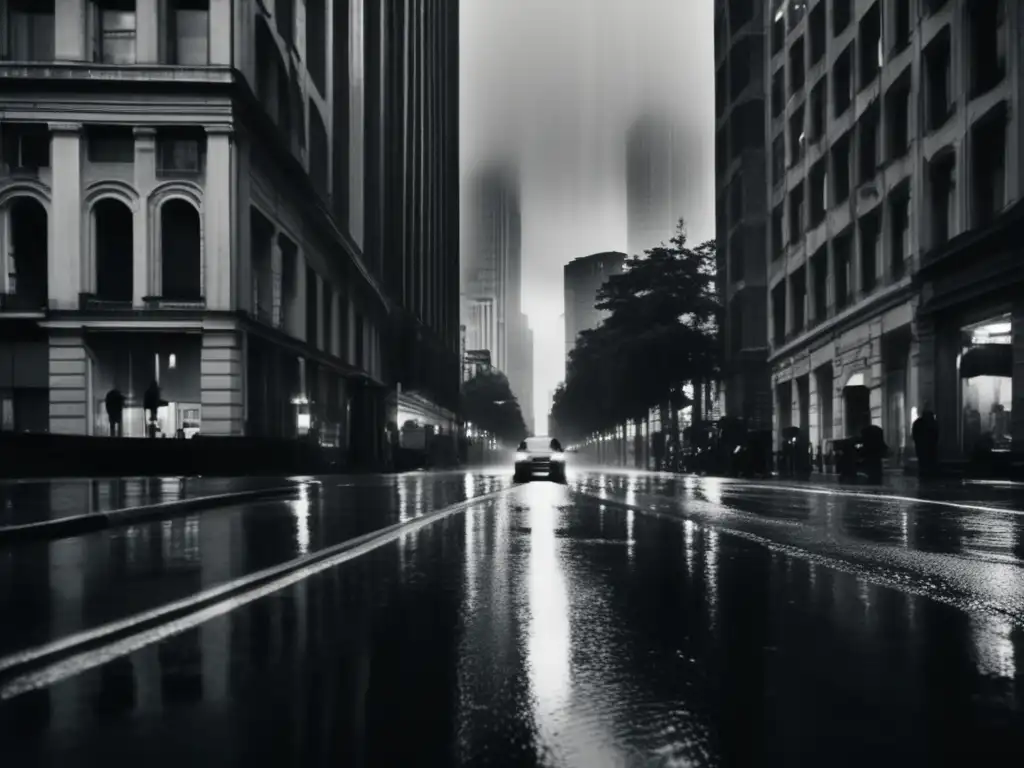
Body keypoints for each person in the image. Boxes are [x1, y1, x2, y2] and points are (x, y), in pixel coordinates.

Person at [912, 405, 939, 479]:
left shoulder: (917, 423)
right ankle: (929, 476)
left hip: (922, 447)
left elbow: (915, 435)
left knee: (923, 463)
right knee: (930, 463)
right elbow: (936, 435)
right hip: (930, 447)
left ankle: (924, 476)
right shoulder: (933, 423)